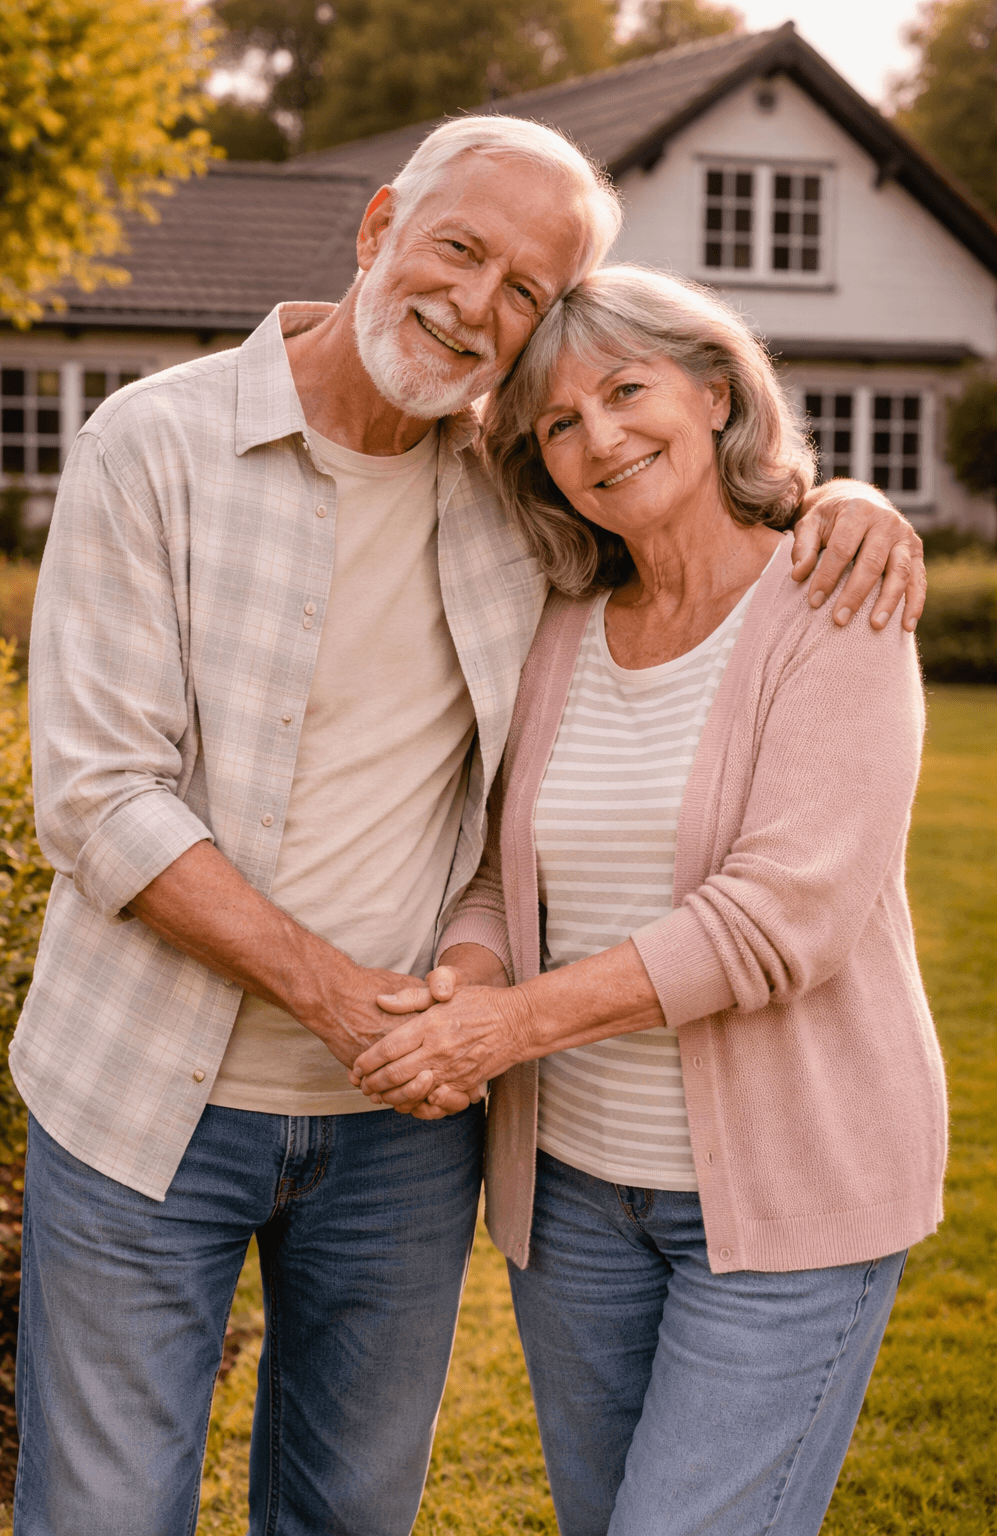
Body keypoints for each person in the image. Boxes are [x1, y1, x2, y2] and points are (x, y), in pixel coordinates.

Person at [13, 111, 924, 1535]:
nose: (477, 307)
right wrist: (364, 999)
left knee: (351, 1515)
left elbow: (700, 512)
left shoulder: (518, 501)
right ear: (380, 228)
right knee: (105, 1511)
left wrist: (851, 503)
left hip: (401, 1138)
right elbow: (95, 794)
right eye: (458, 250)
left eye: (524, 295)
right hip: (146, 1100)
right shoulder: (157, 445)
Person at [351, 266, 946, 1536]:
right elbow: (499, 879)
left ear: (718, 390)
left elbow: (781, 917)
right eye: (559, 424)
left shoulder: (833, 602)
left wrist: (506, 1032)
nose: (600, 439)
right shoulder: (562, 625)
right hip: (575, 1201)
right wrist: (472, 970)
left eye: (626, 391)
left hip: (787, 1207)